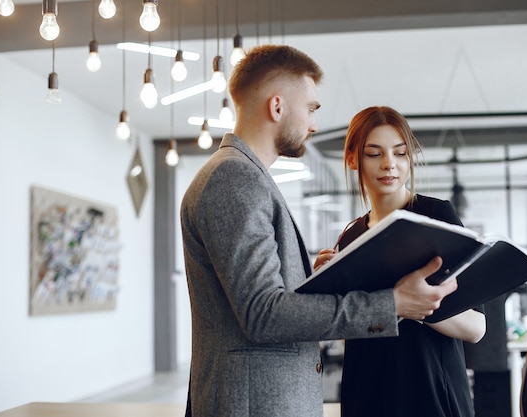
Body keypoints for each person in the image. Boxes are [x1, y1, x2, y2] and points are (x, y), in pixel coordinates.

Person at [180, 46, 458, 417]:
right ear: (277, 107)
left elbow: (256, 300)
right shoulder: (235, 179)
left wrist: (312, 279)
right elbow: (262, 314)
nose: (313, 124)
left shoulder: (244, 177)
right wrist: (393, 304)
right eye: (310, 108)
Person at [313, 106, 486, 417]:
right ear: (353, 159)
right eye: (374, 153)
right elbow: (347, 328)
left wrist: (413, 306)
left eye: (400, 153)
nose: (389, 164)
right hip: (365, 395)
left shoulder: (438, 217)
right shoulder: (350, 236)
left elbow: (476, 328)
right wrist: (326, 287)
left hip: (430, 395)